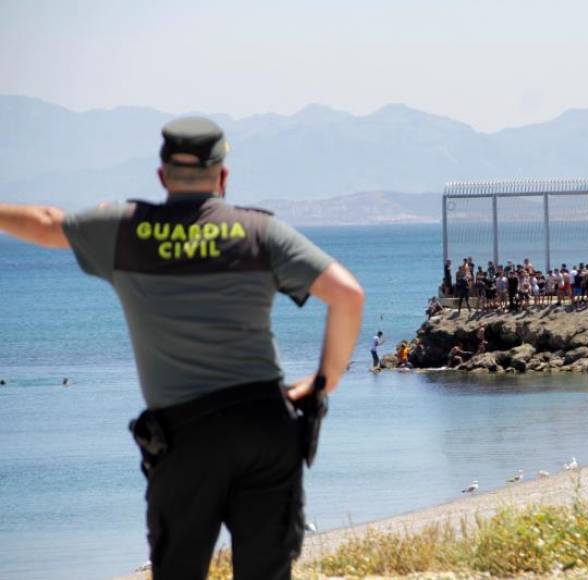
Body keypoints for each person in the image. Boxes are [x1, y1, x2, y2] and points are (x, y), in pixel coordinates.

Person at [0, 116, 365, 580]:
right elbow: (348, 295)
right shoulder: (259, 232)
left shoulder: (125, 230)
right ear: (224, 177)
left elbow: (46, 224)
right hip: (265, 425)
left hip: (186, 437)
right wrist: (321, 383)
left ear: (161, 176)